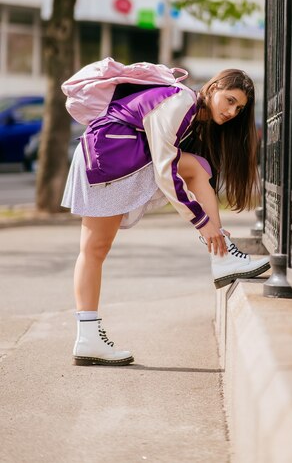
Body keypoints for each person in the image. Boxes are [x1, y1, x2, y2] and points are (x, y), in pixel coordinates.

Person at [61, 68, 270, 366]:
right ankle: (222, 253)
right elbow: (164, 171)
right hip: (109, 156)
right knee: (94, 251)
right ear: (214, 87)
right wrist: (203, 223)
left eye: (239, 108)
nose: (232, 111)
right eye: (230, 100)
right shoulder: (180, 101)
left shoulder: (190, 111)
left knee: (93, 251)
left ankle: (87, 337)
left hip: (108, 154)